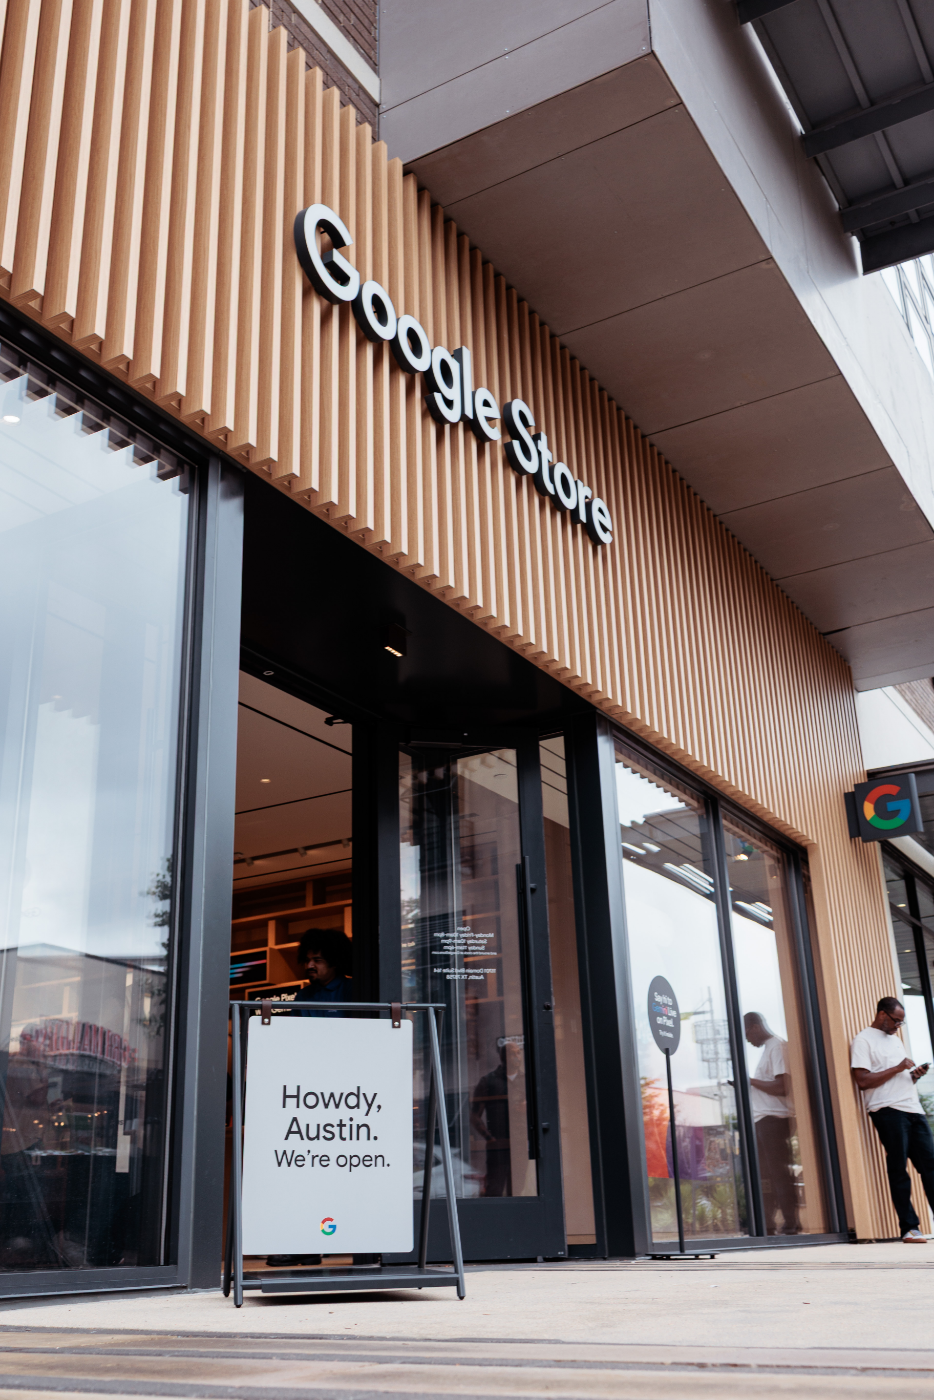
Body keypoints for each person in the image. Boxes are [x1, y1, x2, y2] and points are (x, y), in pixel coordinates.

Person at [851, 996, 934, 1243]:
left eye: (902, 1022)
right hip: (887, 1111)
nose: (898, 1026)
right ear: (882, 1014)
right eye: (896, 1020)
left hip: (913, 1109)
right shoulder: (862, 1040)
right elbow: (863, 1081)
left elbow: (900, 1075)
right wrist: (898, 1068)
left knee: (931, 1167)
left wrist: (914, 1075)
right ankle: (909, 1228)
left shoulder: (895, 1040)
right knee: (898, 1168)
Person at [744, 1012, 799, 1235]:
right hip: (763, 1120)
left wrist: (749, 1081)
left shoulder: (777, 1046)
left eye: (747, 1034)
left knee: (778, 1173)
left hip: (774, 1121)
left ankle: (791, 1223)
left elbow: (782, 1087)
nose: (747, 1040)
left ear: (755, 1027)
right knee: (766, 1176)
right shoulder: (768, 1049)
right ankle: (769, 1223)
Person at [470, 1035, 525, 1197]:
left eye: (518, 1053)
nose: (516, 1057)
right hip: (498, 1146)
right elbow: (474, 1116)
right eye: (511, 1053)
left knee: (518, 1188)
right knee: (495, 1188)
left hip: (520, 1144)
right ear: (503, 1057)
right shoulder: (488, 1081)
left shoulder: (527, 1081)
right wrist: (489, 1138)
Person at [291, 927, 353, 1017]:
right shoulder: (303, 995)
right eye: (307, 960)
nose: (309, 966)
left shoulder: (351, 989)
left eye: (317, 960)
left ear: (334, 962)